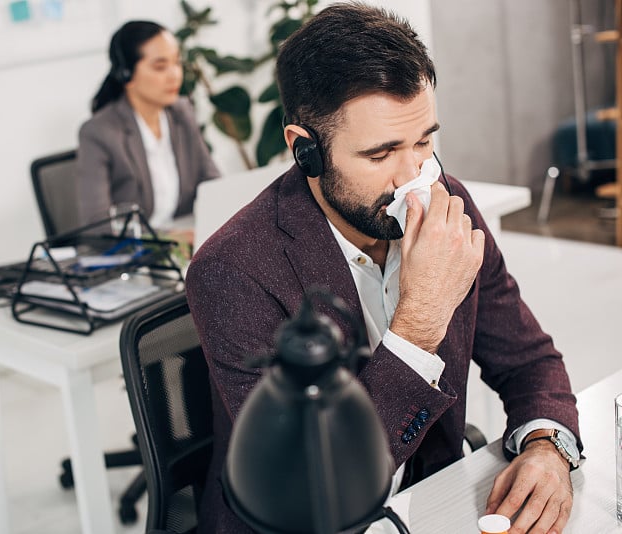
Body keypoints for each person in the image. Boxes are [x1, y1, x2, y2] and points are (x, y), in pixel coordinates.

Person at [185, 3, 582, 534]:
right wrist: (420, 321)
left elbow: (528, 360)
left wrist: (546, 446)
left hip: (428, 503)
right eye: (381, 154)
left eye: (424, 141)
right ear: (306, 151)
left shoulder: (445, 203)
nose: (414, 176)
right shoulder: (234, 269)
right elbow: (314, 489)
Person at [75, 20, 219, 232]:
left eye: (177, 63)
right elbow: (98, 226)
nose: (174, 75)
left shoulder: (182, 112)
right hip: (138, 254)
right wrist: (171, 239)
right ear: (127, 74)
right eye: (160, 66)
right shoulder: (98, 133)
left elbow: (213, 185)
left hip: (188, 245)